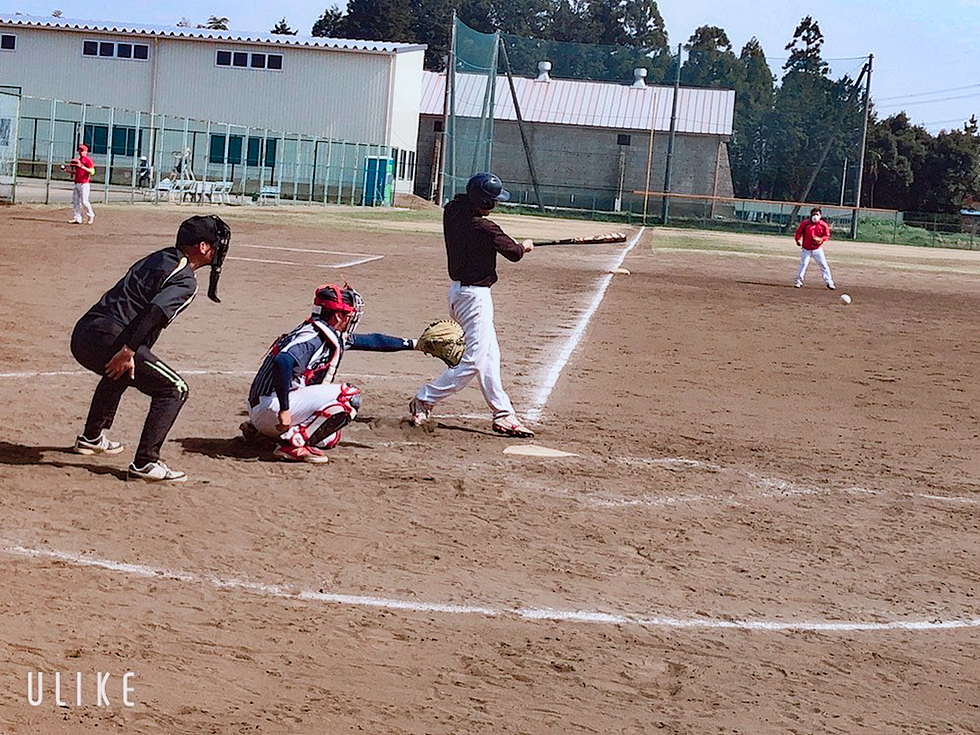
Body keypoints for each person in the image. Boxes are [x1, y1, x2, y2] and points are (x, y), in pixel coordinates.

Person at [70, 215, 231, 482]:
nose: (218, 250)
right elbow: (154, 313)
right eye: (214, 244)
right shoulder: (185, 279)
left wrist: (130, 351)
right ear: (202, 247)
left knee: (122, 371)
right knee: (174, 389)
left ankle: (91, 437)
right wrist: (128, 350)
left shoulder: (160, 257)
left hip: (84, 333)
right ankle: (146, 462)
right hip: (111, 337)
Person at [408, 172, 534, 438]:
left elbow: (466, 209)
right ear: (485, 202)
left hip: (458, 294)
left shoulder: (452, 211)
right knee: (474, 361)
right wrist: (524, 247)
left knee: (489, 357)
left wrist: (515, 246)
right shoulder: (485, 228)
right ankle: (424, 399)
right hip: (475, 299)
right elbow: (514, 254)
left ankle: (504, 414)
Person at [242, 283, 426, 463]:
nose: (351, 320)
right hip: (272, 408)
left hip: (264, 409)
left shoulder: (319, 330)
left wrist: (415, 344)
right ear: (338, 315)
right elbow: (283, 361)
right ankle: (291, 445)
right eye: (348, 315)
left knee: (328, 437)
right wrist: (284, 409)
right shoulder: (314, 337)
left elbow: (374, 341)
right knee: (348, 398)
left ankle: (263, 433)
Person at [794, 206, 835, 289]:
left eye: (817, 214)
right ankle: (798, 281)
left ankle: (829, 282)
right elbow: (798, 232)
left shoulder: (823, 225)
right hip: (806, 249)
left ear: (820, 216)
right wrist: (798, 240)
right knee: (803, 264)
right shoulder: (805, 224)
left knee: (824, 265)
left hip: (817, 249)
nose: (815, 216)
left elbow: (826, 235)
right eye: (813, 214)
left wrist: (821, 239)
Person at [62, 143, 96, 225]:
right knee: (76, 201)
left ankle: (91, 215)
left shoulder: (87, 160)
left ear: (86, 152)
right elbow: (77, 172)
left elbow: (92, 171)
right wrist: (67, 170)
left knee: (84, 201)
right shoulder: (79, 160)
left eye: (82, 150)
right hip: (77, 182)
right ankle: (77, 218)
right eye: (80, 150)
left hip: (84, 183)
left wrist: (82, 167)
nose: (81, 152)